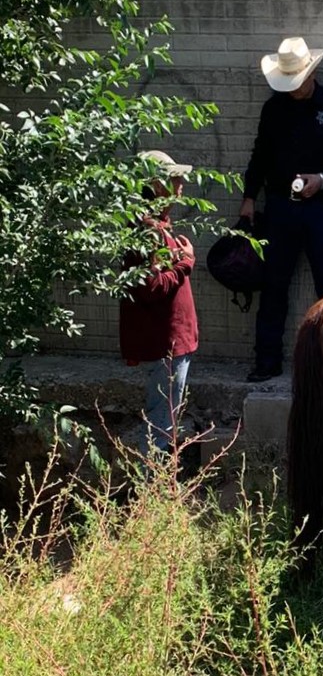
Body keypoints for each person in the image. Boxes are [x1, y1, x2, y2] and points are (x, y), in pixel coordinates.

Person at [239, 36, 323, 382]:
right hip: (280, 208)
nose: (293, 89)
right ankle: (267, 361)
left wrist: (322, 178)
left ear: (310, 73)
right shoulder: (273, 109)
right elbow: (260, 156)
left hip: (321, 208)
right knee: (274, 285)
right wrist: (249, 197)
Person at [119, 150, 198, 458]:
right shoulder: (148, 232)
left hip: (172, 340)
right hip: (166, 342)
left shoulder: (158, 226)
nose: (182, 183)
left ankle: (155, 489)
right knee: (161, 422)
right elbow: (149, 287)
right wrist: (186, 263)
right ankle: (149, 491)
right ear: (157, 185)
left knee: (165, 417)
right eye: (174, 178)